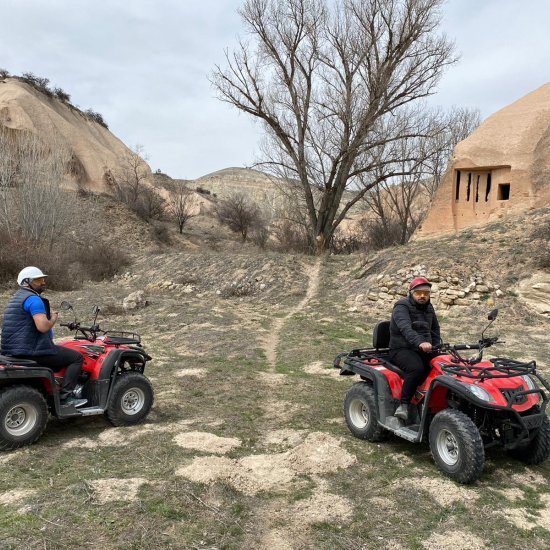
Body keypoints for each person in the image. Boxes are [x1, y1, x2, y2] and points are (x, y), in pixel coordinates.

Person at [1, 266, 86, 408]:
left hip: (11, 349)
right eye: (39, 279)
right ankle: (66, 397)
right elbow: (43, 326)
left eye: (43, 279)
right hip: (32, 350)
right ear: (26, 282)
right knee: (76, 358)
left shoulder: (16, 298)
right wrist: (53, 318)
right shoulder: (34, 300)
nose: (43, 282)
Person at [389, 276, 441, 422]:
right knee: (416, 369)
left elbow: (435, 329)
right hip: (401, 348)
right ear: (411, 293)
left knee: (442, 365)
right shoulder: (401, 306)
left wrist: (436, 347)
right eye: (419, 293)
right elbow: (405, 328)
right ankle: (403, 405)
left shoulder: (429, 308)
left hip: (423, 349)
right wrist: (420, 342)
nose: (423, 296)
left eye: (426, 293)